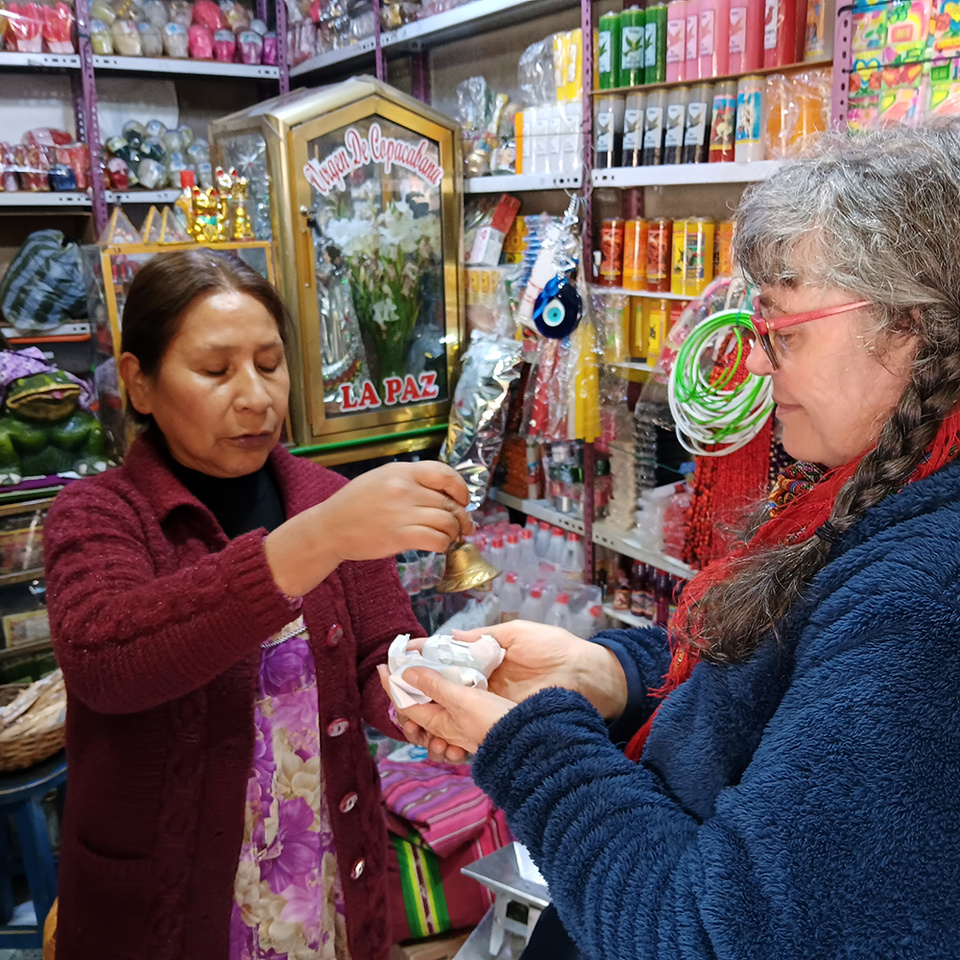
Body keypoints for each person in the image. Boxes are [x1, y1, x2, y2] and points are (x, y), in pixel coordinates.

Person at [388, 123, 960, 959]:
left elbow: (706, 936)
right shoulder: (882, 495)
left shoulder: (924, 606)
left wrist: (530, 744)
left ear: (911, 330)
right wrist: (612, 676)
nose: (756, 364)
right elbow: (786, 702)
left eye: (785, 331)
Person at [43, 249, 472, 960]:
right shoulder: (98, 514)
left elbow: (379, 655)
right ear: (139, 383)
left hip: (323, 875)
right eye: (216, 371)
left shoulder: (322, 496)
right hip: (166, 905)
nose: (255, 397)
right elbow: (108, 661)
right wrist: (316, 540)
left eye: (270, 365)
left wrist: (435, 692)